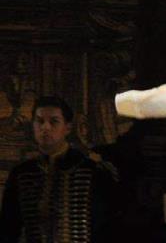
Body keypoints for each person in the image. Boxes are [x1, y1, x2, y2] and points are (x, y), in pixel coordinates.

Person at [0, 96, 119, 243]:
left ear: (67, 128)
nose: (45, 128)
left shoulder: (93, 172)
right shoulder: (21, 174)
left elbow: (107, 230)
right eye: (40, 121)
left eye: (54, 122)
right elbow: (8, 231)